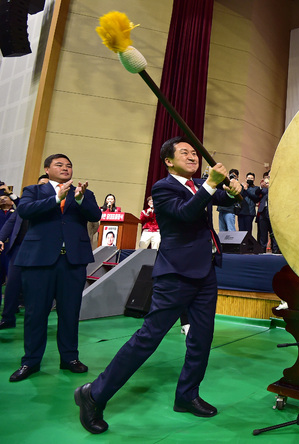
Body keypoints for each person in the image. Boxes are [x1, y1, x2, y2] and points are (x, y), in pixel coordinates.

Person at [74, 136, 243, 434]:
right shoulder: (163, 187)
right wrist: (211, 185)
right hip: (175, 273)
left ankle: (187, 395)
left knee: (202, 338)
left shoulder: (199, 185)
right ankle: (94, 394)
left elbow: (227, 200)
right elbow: (185, 213)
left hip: (205, 272)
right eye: (185, 153)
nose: (193, 157)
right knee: (148, 338)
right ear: (168, 160)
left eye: (195, 153)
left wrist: (234, 191)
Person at [9, 154, 102, 382]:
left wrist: (80, 200)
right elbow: (25, 211)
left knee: (70, 312)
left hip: (72, 261)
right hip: (39, 260)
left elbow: (95, 215)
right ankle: (30, 361)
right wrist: (55, 198)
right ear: (47, 169)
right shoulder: (34, 191)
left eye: (69, 165)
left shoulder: (83, 193)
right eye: (59, 165)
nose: (65, 168)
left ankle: (70, 358)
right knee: (35, 312)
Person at [0, 175, 50, 330]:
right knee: (12, 284)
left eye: (46, 185)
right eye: (40, 184)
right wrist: (1, 238)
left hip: (40, 251)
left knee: (37, 287)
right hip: (18, 248)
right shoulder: (26, 204)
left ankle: (36, 320)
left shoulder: (53, 205)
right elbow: (11, 222)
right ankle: (8, 318)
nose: (42, 188)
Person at [256, 171, 280, 254]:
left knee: (274, 232)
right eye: (268, 177)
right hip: (263, 210)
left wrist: (270, 187)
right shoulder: (264, 187)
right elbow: (256, 194)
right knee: (263, 232)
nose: (268, 178)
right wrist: (260, 187)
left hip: (273, 212)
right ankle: (262, 249)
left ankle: (275, 250)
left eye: (270, 176)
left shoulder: (278, 185)